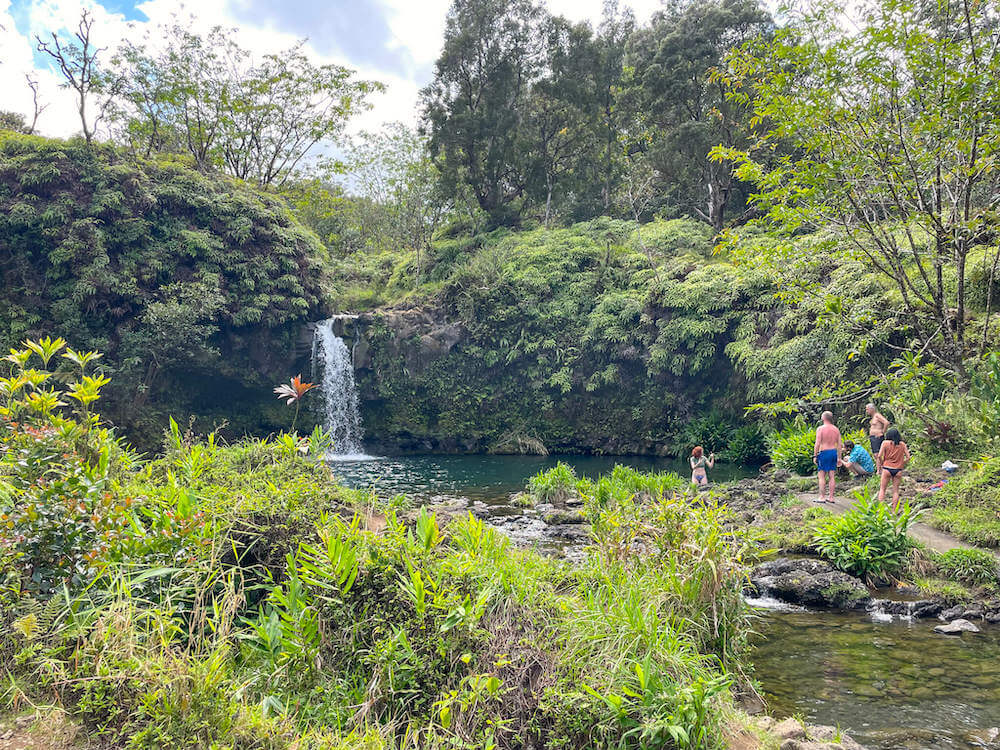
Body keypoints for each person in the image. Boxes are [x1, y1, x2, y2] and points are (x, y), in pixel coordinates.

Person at [877, 427, 911, 511]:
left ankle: (881, 510)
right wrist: (902, 463)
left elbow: (879, 456)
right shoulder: (902, 444)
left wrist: (882, 463)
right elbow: (908, 457)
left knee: (882, 489)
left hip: (887, 468)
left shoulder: (885, 443)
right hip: (898, 470)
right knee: (895, 491)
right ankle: (894, 511)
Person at [813, 411, 842, 503]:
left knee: (821, 475)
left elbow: (817, 443)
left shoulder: (820, 429)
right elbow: (839, 444)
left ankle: (822, 497)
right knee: (832, 476)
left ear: (823, 418)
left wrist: (815, 455)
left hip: (824, 452)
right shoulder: (836, 429)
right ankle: (831, 497)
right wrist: (839, 457)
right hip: (833, 452)